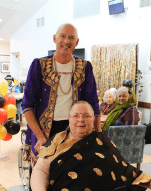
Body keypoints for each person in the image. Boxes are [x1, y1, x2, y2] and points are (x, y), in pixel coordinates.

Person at [22, 23, 101, 167]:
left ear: (76, 42)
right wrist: (40, 137)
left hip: (75, 129)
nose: (66, 41)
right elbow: (27, 105)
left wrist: (98, 135)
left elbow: (93, 103)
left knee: (71, 173)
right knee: (44, 174)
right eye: (62, 36)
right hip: (44, 131)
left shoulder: (85, 67)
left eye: (71, 38)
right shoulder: (38, 65)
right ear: (54, 38)